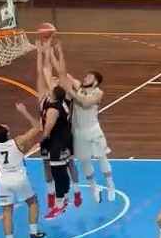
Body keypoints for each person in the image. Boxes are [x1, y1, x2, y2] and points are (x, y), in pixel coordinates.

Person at [50, 42, 116, 203]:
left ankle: (110, 185)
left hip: (93, 130)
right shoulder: (78, 87)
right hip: (78, 131)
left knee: (102, 158)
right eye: (86, 76)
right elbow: (63, 73)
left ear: (96, 82)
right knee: (84, 161)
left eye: (89, 77)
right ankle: (94, 187)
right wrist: (54, 53)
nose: (85, 78)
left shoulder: (98, 93)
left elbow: (85, 102)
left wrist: (70, 91)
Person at [0, 102, 46, 238]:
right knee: (32, 202)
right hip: (19, 178)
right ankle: (34, 232)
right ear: (7, 134)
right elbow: (37, 127)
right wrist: (24, 111)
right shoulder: (17, 141)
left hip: (4, 181)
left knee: (7, 211)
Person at [36, 40, 82, 209]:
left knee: (68, 164)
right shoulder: (44, 97)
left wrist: (58, 53)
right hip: (49, 137)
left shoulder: (65, 96)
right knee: (47, 165)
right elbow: (43, 72)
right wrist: (43, 52)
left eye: (55, 80)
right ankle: (51, 193)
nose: (53, 79)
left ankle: (75, 192)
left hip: (62, 136)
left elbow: (61, 73)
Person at [40, 83, 74, 219]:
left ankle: (59, 205)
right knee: (62, 170)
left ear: (54, 95)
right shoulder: (63, 102)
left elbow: (48, 126)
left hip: (57, 143)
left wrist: (43, 137)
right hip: (65, 140)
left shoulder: (53, 109)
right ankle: (64, 196)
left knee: (57, 172)